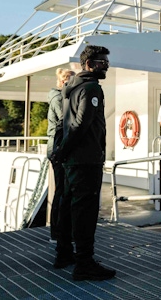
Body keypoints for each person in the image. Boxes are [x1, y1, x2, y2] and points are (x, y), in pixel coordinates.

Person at [52, 45, 116, 281]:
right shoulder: (91, 89)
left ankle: (64, 254)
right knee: (85, 212)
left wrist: (61, 151)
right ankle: (84, 263)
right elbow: (81, 124)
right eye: (103, 62)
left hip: (72, 161)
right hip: (86, 160)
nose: (106, 66)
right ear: (89, 64)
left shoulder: (69, 88)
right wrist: (64, 149)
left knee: (69, 208)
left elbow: (65, 123)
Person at [47, 68, 75, 243]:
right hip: (58, 148)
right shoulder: (58, 98)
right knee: (61, 191)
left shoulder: (61, 97)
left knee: (64, 190)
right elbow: (66, 121)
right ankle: (56, 234)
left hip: (59, 147)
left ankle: (62, 231)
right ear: (65, 82)